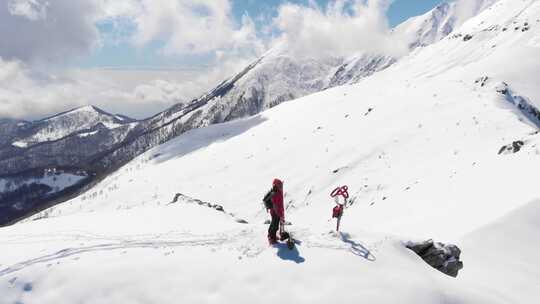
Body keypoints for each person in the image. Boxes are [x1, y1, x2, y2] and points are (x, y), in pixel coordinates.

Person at [265, 178, 284, 245]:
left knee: (274, 224)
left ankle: (271, 236)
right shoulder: (275, 193)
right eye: (280, 185)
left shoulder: (275, 191)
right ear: (276, 185)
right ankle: (272, 238)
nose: (281, 187)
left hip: (274, 211)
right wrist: (279, 213)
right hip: (275, 212)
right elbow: (275, 204)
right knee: (275, 225)